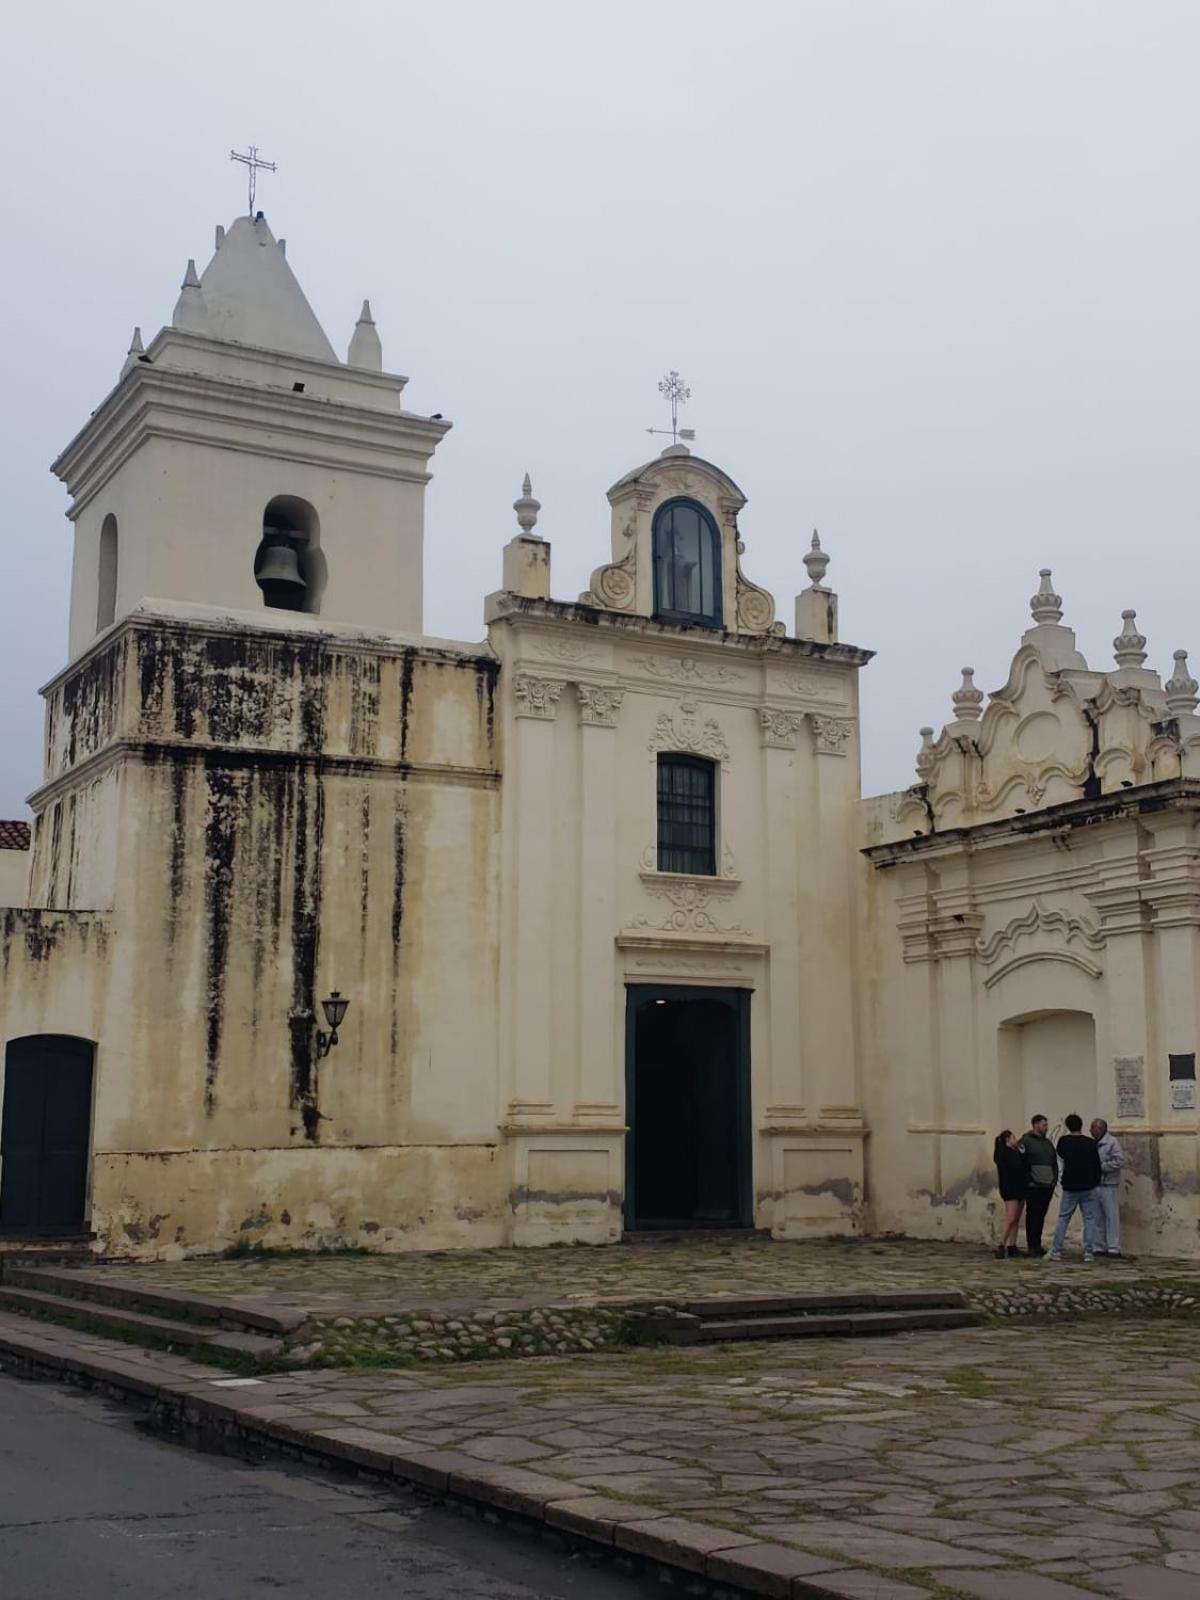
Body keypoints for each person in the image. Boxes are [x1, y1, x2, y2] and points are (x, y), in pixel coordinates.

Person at [1047, 1113, 1101, 1262]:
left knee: (1064, 1218)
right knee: (1089, 1219)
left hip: (1070, 1185)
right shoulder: (1090, 1143)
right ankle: (1089, 1252)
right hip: (1088, 1185)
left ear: (1068, 1126)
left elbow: (1061, 1155)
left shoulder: (1064, 1141)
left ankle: (1056, 1251)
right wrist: (1095, 1181)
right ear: (1081, 1125)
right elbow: (1097, 1165)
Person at [1020, 1114, 1057, 1257]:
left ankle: (1037, 1244)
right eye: (1044, 1125)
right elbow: (1021, 1163)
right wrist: (1029, 1180)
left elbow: (1054, 1162)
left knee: (1040, 1216)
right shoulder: (1025, 1141)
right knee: (1033, 1216)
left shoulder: (1048, 1143)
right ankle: (1031, 1245)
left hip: (1047, 1186)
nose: (1046, 1127)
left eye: (1046, 1125)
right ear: (1035, 1125)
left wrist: (1054, 1179)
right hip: (1034, 1186)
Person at [1091, 1117, 1124, 1257]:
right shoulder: (1092, 1143)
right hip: (1095, 1184)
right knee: (1097, 1216)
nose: (1090, 1130)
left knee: (1111, 1216)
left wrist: (1101, 1167)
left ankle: (1113, 1247)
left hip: (1109, 1184)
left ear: (1100, 1128)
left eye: (1093, 1127)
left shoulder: (1112, 1142)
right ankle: (1099, 1246)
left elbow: (1118, 1160)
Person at [992, 1130, 1027, 1258]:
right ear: (1007, 1139)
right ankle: (1001, 1244)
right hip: (1010, 1188)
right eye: (1013, 1137)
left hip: (1020, 1188)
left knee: (1016, 1219)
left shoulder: (1016, 1152)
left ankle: (1012, 1245)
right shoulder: (1003, 1153)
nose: (1016, 1140)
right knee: (1010, 1217)